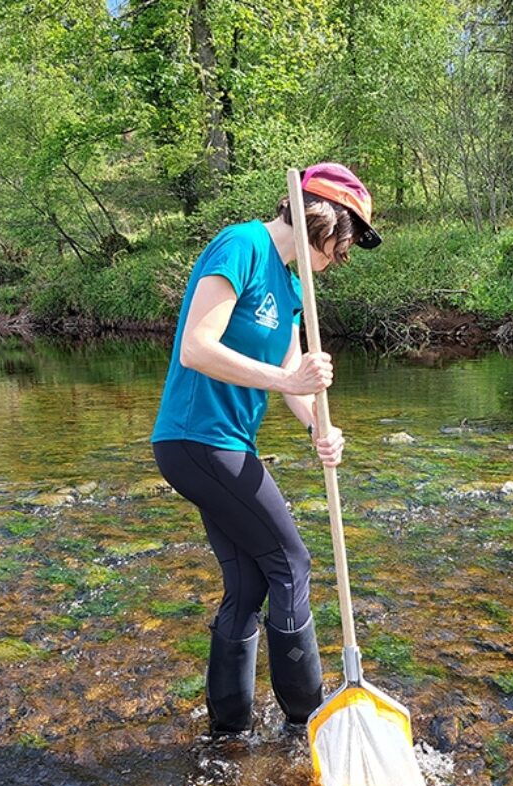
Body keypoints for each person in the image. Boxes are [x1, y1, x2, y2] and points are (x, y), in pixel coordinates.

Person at [151, 163, 382, 736]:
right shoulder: (243, 245)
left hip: (224, 445)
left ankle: (229, 732)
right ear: (323, 217)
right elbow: (197, 349)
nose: (342, 256)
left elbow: (290, 369)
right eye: (345, 240)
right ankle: (307, 722)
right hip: (195, 438)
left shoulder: (295, 284)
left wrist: (318, 427)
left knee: (250, 584)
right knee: (292, 565)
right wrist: (291, 383)